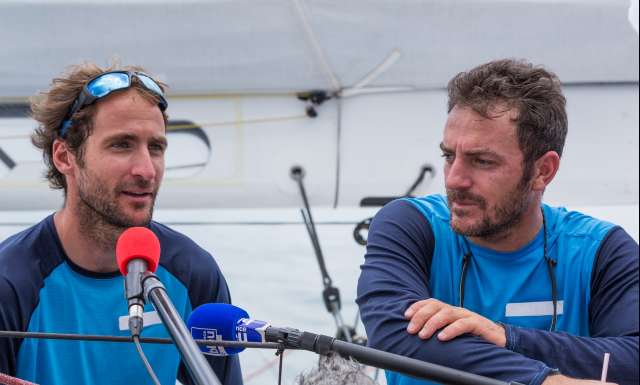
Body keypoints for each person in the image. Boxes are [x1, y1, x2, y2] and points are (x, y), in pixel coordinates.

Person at [356, 59, 638, 385]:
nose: (455, 179)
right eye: (449, 156)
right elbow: (393, 336)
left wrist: (509, 337)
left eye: (482, 161)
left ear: (542, 171)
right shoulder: (409, 225)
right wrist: (542, 381)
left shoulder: (602, 251)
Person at [0, 63, 243, 385]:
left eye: (155, 147)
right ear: (64, 156)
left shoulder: (192, 271)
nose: (146, 169)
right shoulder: (10, 281)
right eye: (122, 145)